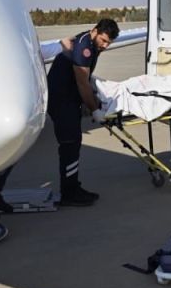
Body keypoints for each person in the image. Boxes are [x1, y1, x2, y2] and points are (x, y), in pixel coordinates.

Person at [46, 18, 120, 206]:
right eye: (103, 40)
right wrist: (95, 109)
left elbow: (83, 80)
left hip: (69, 98)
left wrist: (87, 100)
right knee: (70, 144)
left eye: (109, 43)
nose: (105, 45)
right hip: (61, 100)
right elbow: (82, 82)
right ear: (95, 31)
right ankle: (69, 193)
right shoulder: (84, 47)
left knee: (73, 143)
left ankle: (72, 188)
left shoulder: (91, 43)